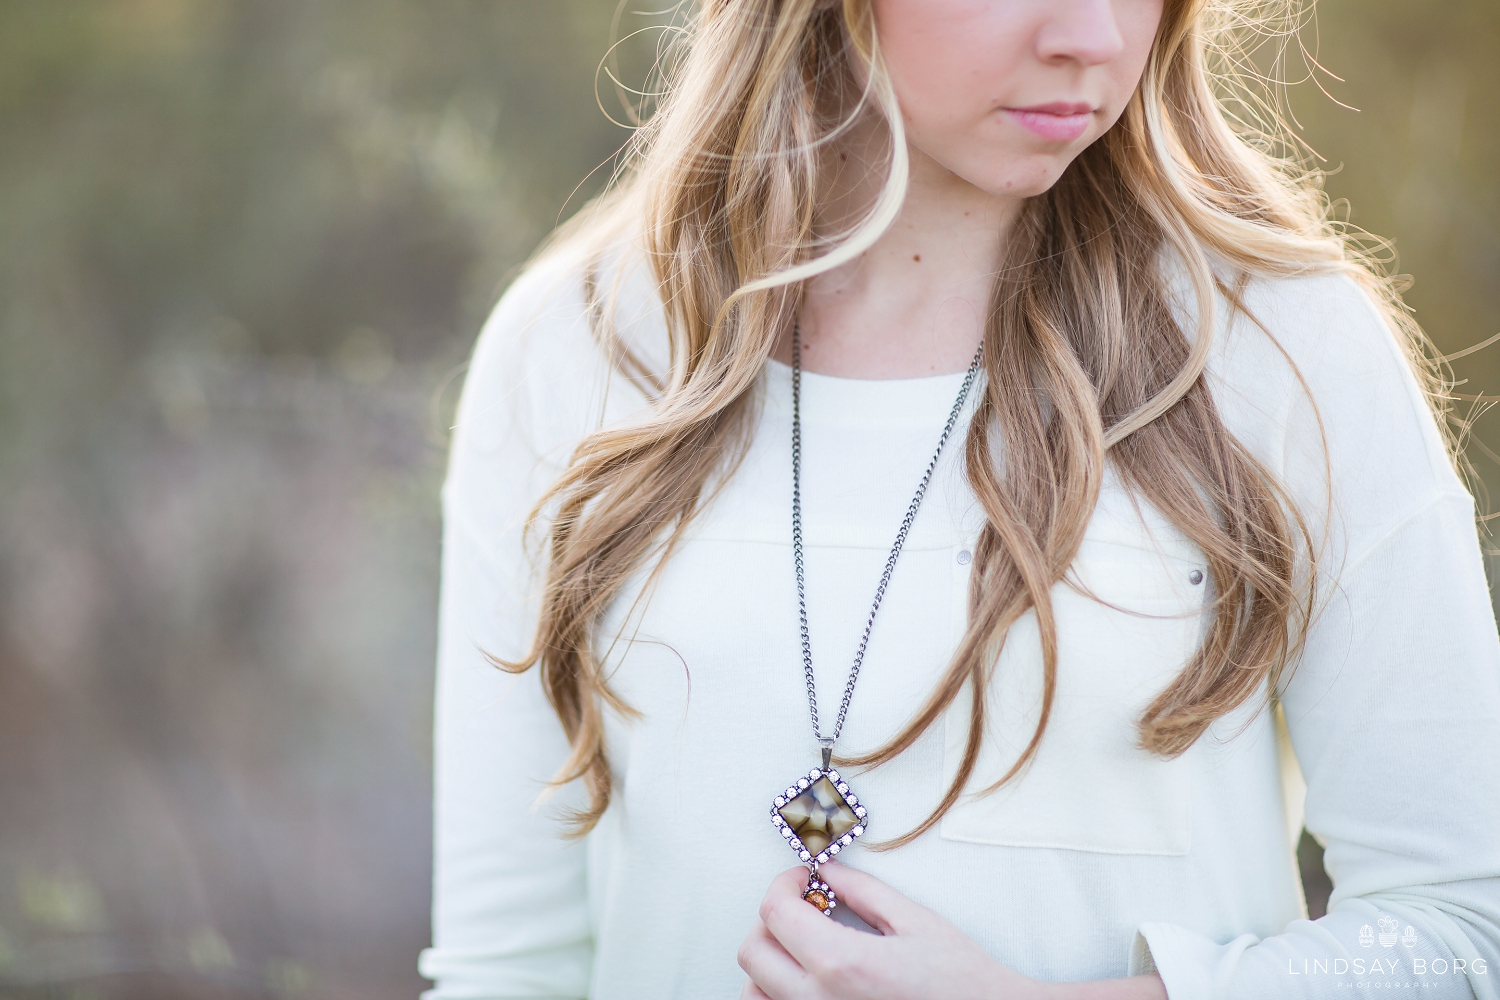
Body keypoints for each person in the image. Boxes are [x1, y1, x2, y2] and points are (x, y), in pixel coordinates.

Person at [418, 1, 1500, 997]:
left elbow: (1464, 927)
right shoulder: (584, 344)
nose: (1095, 36)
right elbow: (505, 967)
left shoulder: (1278, 344)